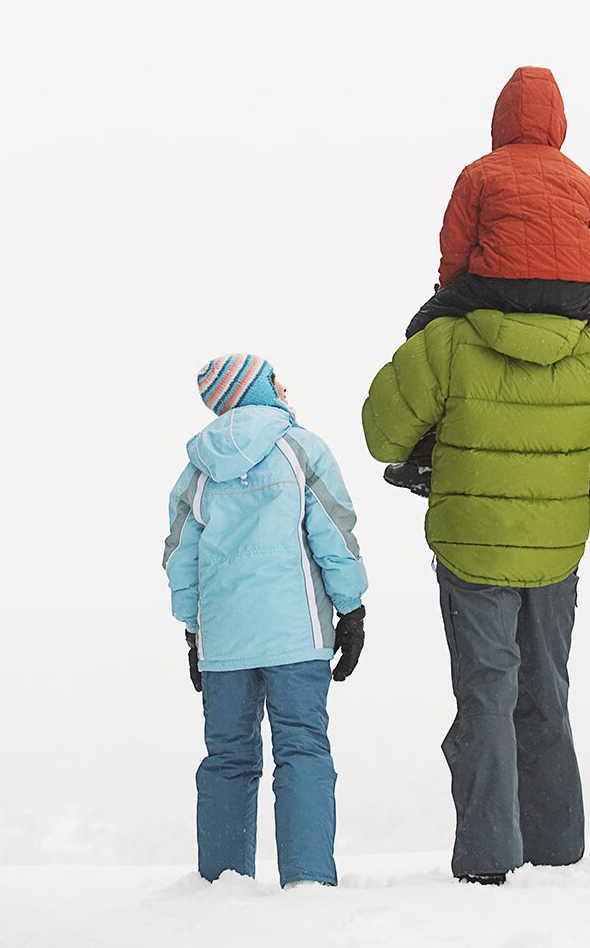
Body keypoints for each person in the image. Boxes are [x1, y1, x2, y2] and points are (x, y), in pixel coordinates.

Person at [362, 308, 590, 884]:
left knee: (486, 695)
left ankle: (487, 856)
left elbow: (383, 435)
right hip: (555, 546)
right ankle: (556, 847)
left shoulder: (450, 339)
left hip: (472, 543)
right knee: (547, 690)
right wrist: (559, 459)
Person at [162, 354, 368, 887]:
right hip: (296, 635)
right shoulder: (300, 449)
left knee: (228, 758)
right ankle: (308, 881)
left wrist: (193, 630)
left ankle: (223, 885)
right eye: (273, 378)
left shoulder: (197, 469)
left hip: (225, 643)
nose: (284, 385)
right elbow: (334, 531)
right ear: (253, 390)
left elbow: (180, 557)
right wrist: (351, 607)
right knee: (302, 750)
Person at [384, 65, 590, 498]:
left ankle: (422, 457)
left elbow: (454, 247)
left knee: (422, 331)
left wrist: (448, 297)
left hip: (499, 282)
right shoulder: (585, 181)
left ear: (501, 118)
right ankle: (587, 441)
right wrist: (581, 298)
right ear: (558, 121)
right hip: (575, 292)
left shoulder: (480, 172)